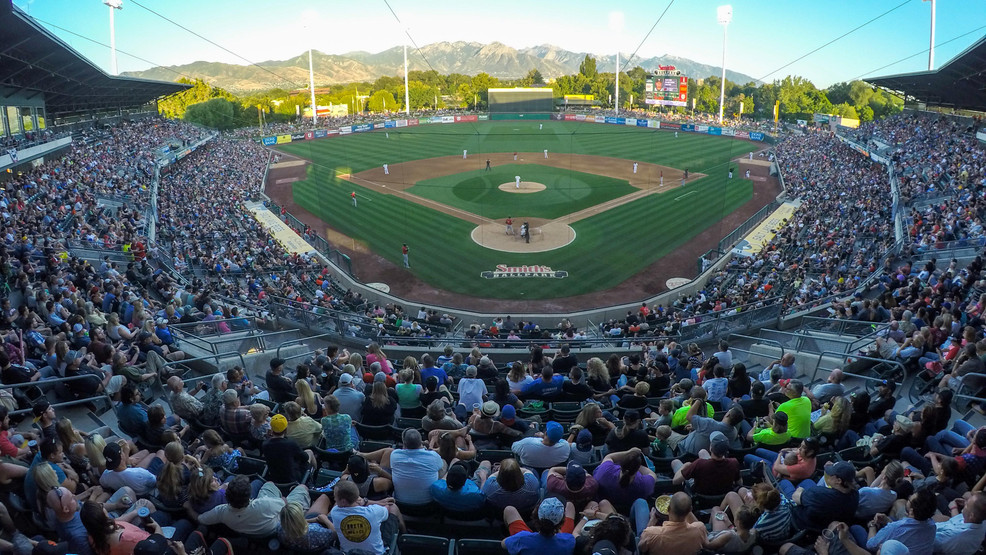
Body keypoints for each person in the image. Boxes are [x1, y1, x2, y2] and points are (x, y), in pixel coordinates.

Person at [198, 474, 311, 536]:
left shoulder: (221, 512)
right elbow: (284, 503)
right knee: (302, 487)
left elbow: (201, 519)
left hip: (256, 528)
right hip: (275, 526)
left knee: (269, 484)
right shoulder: (264, 504)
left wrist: (188, 508)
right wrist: (282, 500)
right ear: (249, 495)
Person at [330, 480, 403, 555]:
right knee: (393, 507)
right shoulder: (374, 512)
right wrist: (368, 502)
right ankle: (404, 534)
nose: (334, 499)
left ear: (343, 502)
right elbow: (387, 506)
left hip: (349, 553)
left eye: (335, 496)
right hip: (377, 553)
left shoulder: (335, 513)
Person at [636, 492, 706, 555]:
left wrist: (651, 520)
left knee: (640, 502)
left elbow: (641, 548)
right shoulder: (700, 529)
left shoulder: (651, 534)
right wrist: (686, 509)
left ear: (668, 509)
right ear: (690, 510)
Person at [502, 497, 576, 555]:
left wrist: (518, 538)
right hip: (559, 540)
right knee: (570, 506)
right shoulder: (569, 541)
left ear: (536, 515)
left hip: (527, 542)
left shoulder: (521, 538)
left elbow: (503, 544)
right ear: (561, 522)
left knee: (509, 510)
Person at [262, 414, 315, 485]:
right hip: (293, 479)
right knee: (309, 452)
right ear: (286, 429)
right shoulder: (291, 444)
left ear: (271, 429)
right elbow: (305, 458)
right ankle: (314, 476)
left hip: (274, 478)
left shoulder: (265, 444)